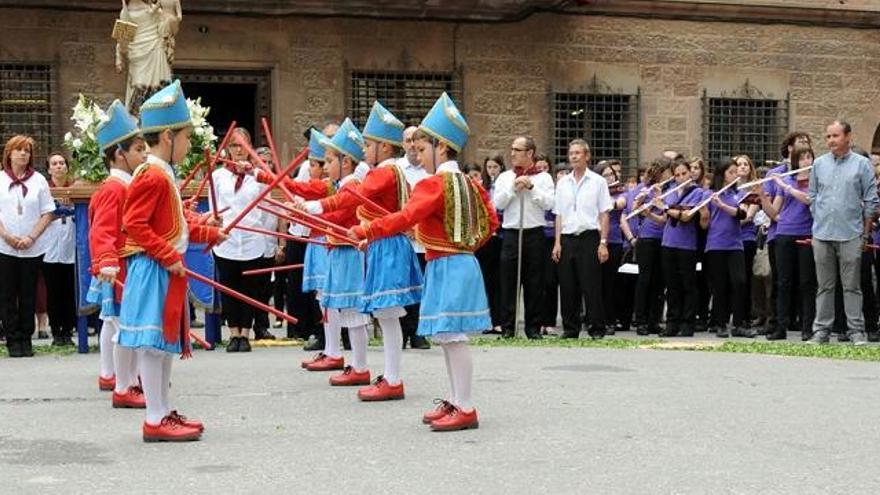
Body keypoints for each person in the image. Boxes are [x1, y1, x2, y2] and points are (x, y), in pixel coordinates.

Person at [351, 92, 499, 431]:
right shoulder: (469, 182)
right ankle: (457, 400)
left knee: (453, 337)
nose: (416, 155)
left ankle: (465, 406)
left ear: (442, 147)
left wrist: (368, 229)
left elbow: (405, 217)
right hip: (459, 262)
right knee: (449, 336)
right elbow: (491, 221)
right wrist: (468, 246)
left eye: (422, 149)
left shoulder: (435, 183)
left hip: (447, 265)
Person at [117, 80, 226, 442]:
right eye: (186, 137)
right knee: (152, 345)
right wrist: (166, 256)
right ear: (167, 136)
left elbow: (174, 224)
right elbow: (133, 223)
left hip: (164, 266)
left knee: (163, 344)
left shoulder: (164, 174)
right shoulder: (151, 175)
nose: (189, 145)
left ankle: (162, 412)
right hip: (154, 268)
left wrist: (209, 232)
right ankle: (154, 417)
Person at [304, 102, 424, 401]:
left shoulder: (382, 173)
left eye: (368, 144)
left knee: (387, 314)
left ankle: (393, 378)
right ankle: (390, 375)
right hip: (383, 244)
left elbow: (352, 197)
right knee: (386, 315)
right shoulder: (390, 171)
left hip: (386, 246)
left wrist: (318, 206)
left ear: (384, 147)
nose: (364, 149)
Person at [87, 99, 147, 407]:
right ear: (119, 154)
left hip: (126, 264)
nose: (144, 154)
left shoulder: (126, 186)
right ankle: (123, 381)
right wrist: (107, 261)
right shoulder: (114, 189)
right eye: (138, 149)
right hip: (121, 266)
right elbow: (102, 230)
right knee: (122, 327)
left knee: (119, 324)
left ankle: (123, 378)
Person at [301, 119, 371, 374]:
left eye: (329, 161)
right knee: (341, 307)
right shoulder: (344, 184)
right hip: (339, 251)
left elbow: (337, 214)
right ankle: (353, 363)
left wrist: (310, 213)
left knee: (353, 312)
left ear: (345, 162)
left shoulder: (352, 185)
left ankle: (360, 366)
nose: (325, 166)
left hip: (350, 253)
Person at [807, 121, 879, 345]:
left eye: (835, 136)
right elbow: (813, 196)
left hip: (851, 233)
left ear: (848, 137)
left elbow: (870, 199)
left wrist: (865, 234)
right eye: (828, 136)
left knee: (851, 286)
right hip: (822, 233)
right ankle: (821, 331)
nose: (831, 141)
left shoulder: (862, 165)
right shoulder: (819, 164)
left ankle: (856, 331)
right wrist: (818, 217)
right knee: (825, 285)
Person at [493, 136, 555, 339]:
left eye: (517, 150)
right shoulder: (504, 177)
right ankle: (508, 327)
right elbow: (498, 204)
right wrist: (513, 188)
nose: (512, 153)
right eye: (511, 149)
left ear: (530, 153)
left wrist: (531, 188)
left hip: (534, 233)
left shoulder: (543, 178)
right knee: (508, 281)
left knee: (535, 282)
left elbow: (549, 204)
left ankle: (533, 327)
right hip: (512, 233)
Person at [210, 128, 267, 353]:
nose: (239, 151)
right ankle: (233, 333)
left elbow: (266, 204)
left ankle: (246, 333)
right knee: (229, 287)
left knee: (249, 289)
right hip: (227, 240)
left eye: (244, 145)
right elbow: (215, 206)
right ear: (228, 149)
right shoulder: (218, 176)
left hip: (252, 238)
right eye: (234, 145)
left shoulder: (259, 174)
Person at [0, 135, 55, 358]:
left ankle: (26, 338)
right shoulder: (1, 179)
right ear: (9, 154)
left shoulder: (39, 181)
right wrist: (8, 236)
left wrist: (31, 237)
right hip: (5, 246)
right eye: (19, 150)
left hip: (32, 247)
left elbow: (47, 212)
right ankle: (12, 339)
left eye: (27, 151)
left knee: (28, 293)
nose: (24, 154)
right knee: (6, 294)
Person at [551, 139, 612, 339]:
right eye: (571, 154)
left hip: (589, 236)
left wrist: (603, 242)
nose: (574, 157)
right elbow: (559, 214)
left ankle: (596, 328)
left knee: (591, 284)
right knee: (567, 285)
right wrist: (557, 242)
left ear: (587, 156)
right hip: (568, 237)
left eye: (578, 153)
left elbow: (604, 213)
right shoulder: (562, 183)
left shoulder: (598, 182)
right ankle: (570, 328)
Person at [759, 144, 816, 341]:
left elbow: (808, 200)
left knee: (807, 282)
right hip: (784, 233)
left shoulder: (814, 181)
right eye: (802, 158)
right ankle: (780, 327)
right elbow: (774, 213)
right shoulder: (787, 179)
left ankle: (807, 327)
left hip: (806, 233)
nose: (806, 161)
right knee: (783, 282)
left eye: (809, 157)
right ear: (795, 162)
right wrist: (762, 197)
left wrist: (784, 186)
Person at [699, 158, 754, 338]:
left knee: (739, 282)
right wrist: (704, 215)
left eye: (735, 171)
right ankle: (720, 324)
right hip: (716, 245)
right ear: (722, 175)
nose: (735, 174)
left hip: (735, 245)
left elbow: (741, 213)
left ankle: (738, 324)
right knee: (720, 286)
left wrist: (722, 206)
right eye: (731, 172)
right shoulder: (709, 194)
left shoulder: (737, 194)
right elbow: (704, 225)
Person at [657, 158, 704, 337]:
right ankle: (672, 323)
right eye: (677, 175)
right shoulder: (669, 191)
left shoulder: (697, 192)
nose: (681, 178)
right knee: (672, 285)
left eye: (684, 173)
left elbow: (686, 216)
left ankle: (687, 323)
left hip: (687, 245)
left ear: (690, 174)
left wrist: (666, 207)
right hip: (668, 242)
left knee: (688, 285)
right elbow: (664, 218)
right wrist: (649, 209)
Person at [397, 125, 432, 350]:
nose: (411, 145)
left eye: (415, 141)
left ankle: (418, 332)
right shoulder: (395, 168)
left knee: (421, 287)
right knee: (401, 286)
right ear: (402, 144)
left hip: (422, 240)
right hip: (400, 238)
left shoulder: (430, 171)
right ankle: (400, 332)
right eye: (408, 140)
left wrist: (417, 227)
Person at [115, 0, 182, 112]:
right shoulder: (153, 11)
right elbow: (169, 29)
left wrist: (119, 55)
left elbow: (122, 43)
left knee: (142, 91)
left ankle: (144, 119)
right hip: (150, 53)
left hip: (149, 53)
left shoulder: (126, 13)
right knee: (156, 91)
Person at [631, 158, 672, 335]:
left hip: (664, 238)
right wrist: (643, 201)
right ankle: (640, 320)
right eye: (667, 173)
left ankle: (654, 320)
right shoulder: (644, 188)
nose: (669, 176)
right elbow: (634, 209)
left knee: (659, 281)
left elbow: (667, 215)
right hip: (647, 238)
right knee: (644, 279)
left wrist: (660, 199)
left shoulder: (672, 189)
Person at [42, 152, 77, 346]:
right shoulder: (44, 189)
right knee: (53, 291)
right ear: (49, 169)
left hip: (70, 246)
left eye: (62, 163)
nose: (58, 166)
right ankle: (56, 331)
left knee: (69, 291)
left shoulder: (76, 188)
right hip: (50, 247)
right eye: (54, 163)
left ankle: (68, 330)